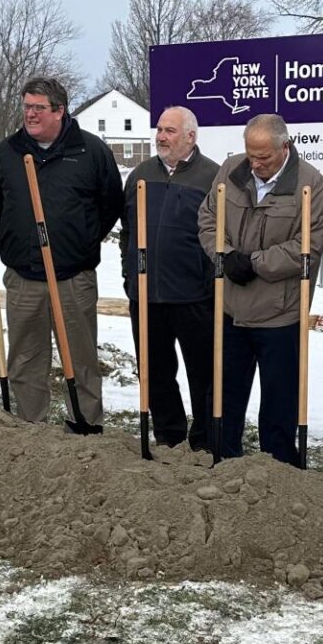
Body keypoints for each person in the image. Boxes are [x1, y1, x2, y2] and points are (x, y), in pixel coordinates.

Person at [0, 77, 122, 429]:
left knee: (81, 357)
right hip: (24, 277)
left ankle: (86, 425)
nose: (29, 114)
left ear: (59, 111)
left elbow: (109, 205)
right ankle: (32, 428)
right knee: (26, 357)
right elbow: (0, 201)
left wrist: (82, 242)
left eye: (38, 108)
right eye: (26, 106)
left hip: (72, 277)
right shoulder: (8, 152)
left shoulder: (89, 151)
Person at [199, 113, 323, 465]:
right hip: (231, 307)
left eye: (264, 157)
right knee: (224, 396)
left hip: (280, 313)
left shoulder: (310, 185)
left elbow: (308, 246)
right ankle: (223, 460)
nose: (255, 164)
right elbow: (208, 219)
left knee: (279, 400)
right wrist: (224, 255)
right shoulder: (231, 170)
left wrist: (254, 262)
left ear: (284, 147)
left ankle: (278, 471)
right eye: (251, 155)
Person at [120, 105, 219, 450]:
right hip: (146, 296)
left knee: (203, 373)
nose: (161, 137)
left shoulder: (212, 177)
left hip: (194, 296)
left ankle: (205, 438)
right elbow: (127, 231)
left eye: (170, 131)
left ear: (191, 136)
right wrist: (129, 274)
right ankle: (168, 435)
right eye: (159, 130)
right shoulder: (140, 175)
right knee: (156, 371)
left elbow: (220, 237)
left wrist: (210, 285)